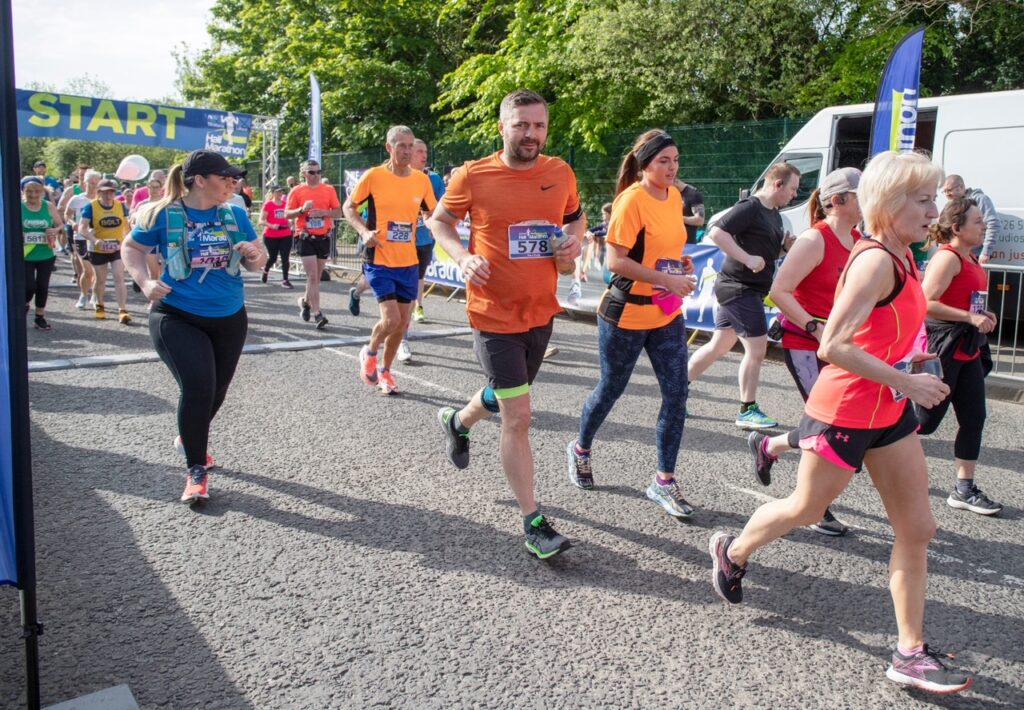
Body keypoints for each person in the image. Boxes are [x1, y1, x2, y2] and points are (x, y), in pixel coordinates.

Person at [709, 151, 973, 695]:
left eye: (933, 199)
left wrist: (906, 363)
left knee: (918, 529)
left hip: (888, 411)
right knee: (805, 509)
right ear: (890, 204)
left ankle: (909, 652)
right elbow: (833, 345)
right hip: (847, 409)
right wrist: (906, 381)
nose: (933, 210)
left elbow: (881, 331)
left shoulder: (904, 256)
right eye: (922, 201)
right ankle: (731, 551)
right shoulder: (874, 259)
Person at [427, 89, 584, 559]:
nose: (531, 134)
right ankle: (533, 523)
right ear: (502, 127)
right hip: (492, 312)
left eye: (538, 126)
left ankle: (457, 420)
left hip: (540, 309)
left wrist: (572, 245)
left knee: (504, 391)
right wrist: (463, 256)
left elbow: (575, 220)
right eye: (521, 125)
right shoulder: (473, 174)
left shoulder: (559, 172)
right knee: (519, 416)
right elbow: (439, 221)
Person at [566, 130, 697, 518]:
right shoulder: (630, 201)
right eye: (664, 161)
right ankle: (580, 449)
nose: (672, 168)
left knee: (677, 395)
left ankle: (663, 481)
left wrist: (679, 265)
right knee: (611, 388)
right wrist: (667, 279)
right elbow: (615, 262)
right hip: (625, 313)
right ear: (645, 164)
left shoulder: (674, 197)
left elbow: (663, 250)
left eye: (675, 160)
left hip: (666, 313)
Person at [122, 150, 265, 503]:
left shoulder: (234, 213)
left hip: (230, 315)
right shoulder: (163, 214)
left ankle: (190, 434)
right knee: (199, 386)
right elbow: (131, 248)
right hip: (176, 314)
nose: (233, 183)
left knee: (217, 390)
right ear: (199, 180)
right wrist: (143, 282)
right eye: (225, 177)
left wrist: (253, 254)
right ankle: (196, 470)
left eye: (235, 177)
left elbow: (254, 263)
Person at [747, 167, 863, 538]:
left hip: (840, 345)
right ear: (838, 201)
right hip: (805, 342)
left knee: (838, 423)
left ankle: (769, 445)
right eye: (862, 194)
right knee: (828, 425)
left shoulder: (861, 239)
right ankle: (817, 506)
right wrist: (814, 325)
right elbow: (780, 291)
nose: (870, 200)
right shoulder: (815, 239)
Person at [687, 163, 800, 429]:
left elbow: (766, 257)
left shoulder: (774, 215)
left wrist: (784, 250)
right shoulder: (751, 206)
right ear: (778, 184)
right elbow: (716, 232)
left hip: (747, 288)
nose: (794, 195)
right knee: (757, 348)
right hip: (739, 288)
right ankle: (747, 410)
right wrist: (746, 258)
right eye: (793, 189)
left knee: (719, 345)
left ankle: (676, 390)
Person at [916, 197, 1001, 515]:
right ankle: (871, 450)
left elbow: (969, 302)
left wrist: (984, 314)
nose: (984, 226)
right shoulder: (947, 258)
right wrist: (968, 318)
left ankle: (964, 489)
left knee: (974, 418)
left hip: (968, 350)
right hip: (945, 347)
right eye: (978, 221)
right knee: (924, 423)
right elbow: (926, 303)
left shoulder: (972, 259)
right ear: (957, 227)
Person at [343, 126, 438, 393]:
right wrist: (363, 231)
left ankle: (385, 372)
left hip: (408, 261)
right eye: (401, 146)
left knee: (402, 323)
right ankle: (370, 352)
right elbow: (348, 207)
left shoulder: (421, 180)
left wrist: (432, 224)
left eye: (411, 146)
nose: (407, 151)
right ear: (389, 147)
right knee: (391, 320)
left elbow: (431, 212)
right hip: (379, 258)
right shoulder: (373, 177)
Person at [396, 138, 447, 362]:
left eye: (425, 151)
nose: (423, 155)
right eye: (419, 151)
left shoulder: (433, 179)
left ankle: (417, 308)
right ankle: (401, 338)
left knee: (417, 279)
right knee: (401, 290)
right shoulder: (396, 177)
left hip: (424, 239)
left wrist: (433, 219)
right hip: (398, 242)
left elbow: (443, 205)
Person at [286, 159, 342, 329]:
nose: (316, 175)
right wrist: (302, 210)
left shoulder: (329, 189)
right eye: (312, 172)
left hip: (323, 237)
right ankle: (318, 314)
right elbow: (287, 214)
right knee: (312, 276)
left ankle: (305, 302)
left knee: (316, 277)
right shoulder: (297, 191)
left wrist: (324, 212)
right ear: (304, 174)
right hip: (304, 236)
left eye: (318, 172)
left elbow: (338, 212)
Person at [78, 179, 132, 324]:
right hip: (98, 248)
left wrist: (125, 240)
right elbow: (81, 228)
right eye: (105, 191)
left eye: (112, 191)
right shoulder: (91, 207)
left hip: (116, 247)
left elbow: (127, 227)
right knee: (100, 279)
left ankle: (122, 310)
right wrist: (94, 239)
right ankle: (100, 305)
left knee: (118, 277)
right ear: (99, 192)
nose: (109, 194)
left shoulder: (120, 206)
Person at [20, 176, 64, 330]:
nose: (33, 194)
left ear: (42, 191)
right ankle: (24, 304)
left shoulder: (48, 206)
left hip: (46, 253)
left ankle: (39, 317)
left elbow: (60, 225)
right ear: (23, 191)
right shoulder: (18, 206)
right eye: (29, 191)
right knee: (28, 286)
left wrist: (54, 230)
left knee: (42, 286)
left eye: (37, 191)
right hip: (26, 253)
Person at [60, 169, 101, 310]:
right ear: (85, 183)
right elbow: (67, 215)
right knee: (87, 270)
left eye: (96, 184)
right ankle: (83, 294)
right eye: (91, 183)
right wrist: (73, 224)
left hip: (97, 239)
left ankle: (95, 295)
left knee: (97, 270)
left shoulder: (103, 200)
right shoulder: (77, 199)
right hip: (81, 238)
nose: (94, 186)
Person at [942, 175, 1000, 263]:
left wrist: (986, 252)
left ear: (961, 187)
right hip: (956, 254)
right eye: (944, 191)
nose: (947, 194)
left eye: (949, 190)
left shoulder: (980, 199)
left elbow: (993, 224)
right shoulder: (951, 205)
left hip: (976, 257)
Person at [258, 184, 294, 289]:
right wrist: (271, 225)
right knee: (273, 257)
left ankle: (285, 280)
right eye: (277, 192)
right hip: (271, 235)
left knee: (285, 257)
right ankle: (266, 270)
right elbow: (261, 221)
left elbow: (290, 216)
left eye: (281, 191)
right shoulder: (268, 205)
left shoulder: (285, 204)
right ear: (272, 193)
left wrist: (290, 222)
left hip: (285, 233)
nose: (280, 193)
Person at [675, 178, 705, 244]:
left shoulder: (693, 194)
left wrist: (677, 218)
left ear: (675, 182)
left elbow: (700, 220)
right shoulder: (671, 194)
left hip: (688, 244)